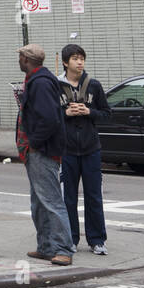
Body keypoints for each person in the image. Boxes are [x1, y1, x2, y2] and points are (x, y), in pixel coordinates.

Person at [16, 43, 72, 266]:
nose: (18, 61)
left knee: (50, 201)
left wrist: (35, 143)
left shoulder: (40, 83)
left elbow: (49, 119)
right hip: (40, 149)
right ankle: (47, 246)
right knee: (39, 201)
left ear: (27, 61)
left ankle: (63, 249)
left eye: (20, 58)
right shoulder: (41, 80)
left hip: (42, 150)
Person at [58, 43, 110, 255]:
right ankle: (70, 239)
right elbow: (50, 116)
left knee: (94, 195)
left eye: (82, 58)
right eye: (75, 58)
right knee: (68, 197)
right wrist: (66, 114)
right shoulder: (56, 86)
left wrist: (89, 111)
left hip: (91, 148)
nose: (80, 62)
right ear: (65, 62)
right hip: (67, 150)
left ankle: (97, 240)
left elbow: (107, 114)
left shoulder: (93, 85)